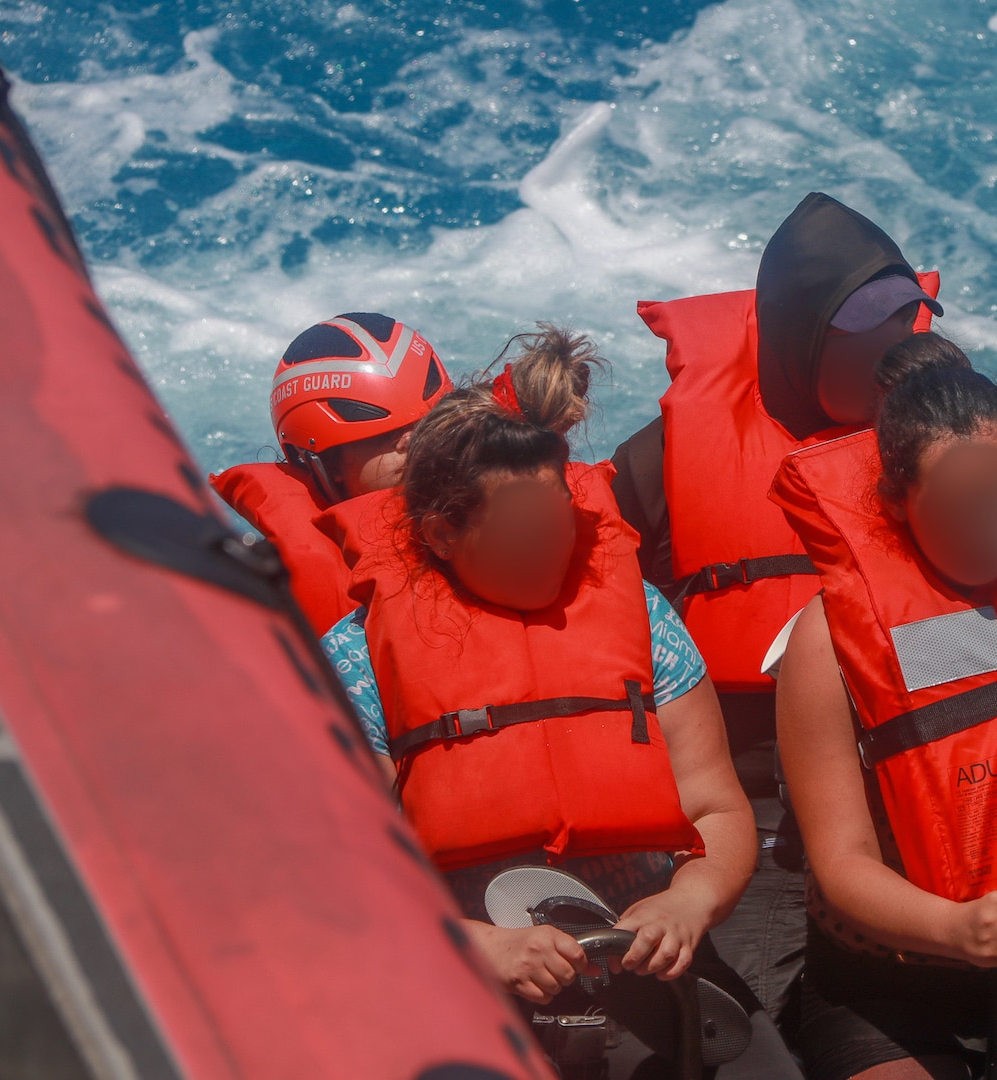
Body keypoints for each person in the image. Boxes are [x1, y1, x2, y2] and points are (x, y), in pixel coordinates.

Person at [322, 327, 797, 1077]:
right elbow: (342, 877)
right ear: (442, 533)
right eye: (521, 534)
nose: (551, 549)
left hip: (646, 952)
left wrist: (690, 903)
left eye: (559, 523)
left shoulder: (637, 616)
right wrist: (482, 946)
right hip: (459, 964)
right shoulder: (354, 663)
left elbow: (717, 809)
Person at [609, 191, 944, 1020]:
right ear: (800, 338)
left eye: (900, 331)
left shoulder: (940, 433)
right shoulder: (661, 464)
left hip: (920, 766)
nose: (887, 355)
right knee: (752, 1020)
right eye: (861, 340)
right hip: (756, 797)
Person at [768, 363, 997, 1080]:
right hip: (889, 987)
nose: (984, 526)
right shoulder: (823, 642)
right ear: (896, 503)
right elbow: (841, 866)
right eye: (956, 505)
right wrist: (958, 929)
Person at [210, 312, 452, 634]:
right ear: (328, 466)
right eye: (384, 436)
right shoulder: (289, 593)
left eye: (431, 423)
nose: (414, 442)